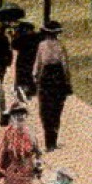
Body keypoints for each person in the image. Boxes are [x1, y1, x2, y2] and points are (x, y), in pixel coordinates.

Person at [33, 20, 73, 150]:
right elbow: (65, 66)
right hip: (58, 77)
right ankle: (53, 140)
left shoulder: (42, 45)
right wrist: (67, 82)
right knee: (56, 109)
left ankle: (48, 140)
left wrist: (35, 78)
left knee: (45, 109)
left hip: (46, 78)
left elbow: (38, 65)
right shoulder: (60, 46)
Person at [9, 20, 43, 100]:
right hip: (33, 58)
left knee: (23, 74)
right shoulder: (37, 37)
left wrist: (13, 36)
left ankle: (23, 90)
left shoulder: (22, 38)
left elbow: (14, 45)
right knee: (31, 74)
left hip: (23, 59)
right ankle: (31, 89)